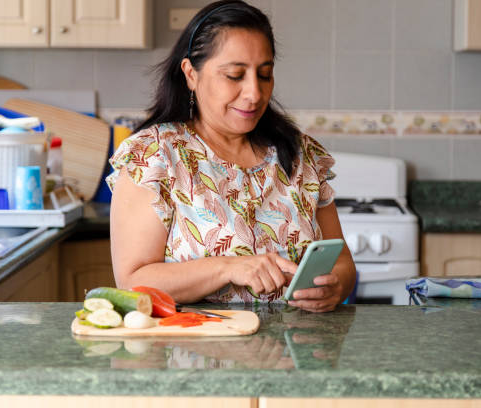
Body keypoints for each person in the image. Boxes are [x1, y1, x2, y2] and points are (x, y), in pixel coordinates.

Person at [107, 0, 356, 313]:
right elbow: (132, 283)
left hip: (298, 356)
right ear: (191, 74)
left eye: (264, 74)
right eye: (235, 75)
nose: (254, 93)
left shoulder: (302, 155)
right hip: (191, 353)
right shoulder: (154, 157)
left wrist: (336, 285)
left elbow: (342, 261)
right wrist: (227, 267)